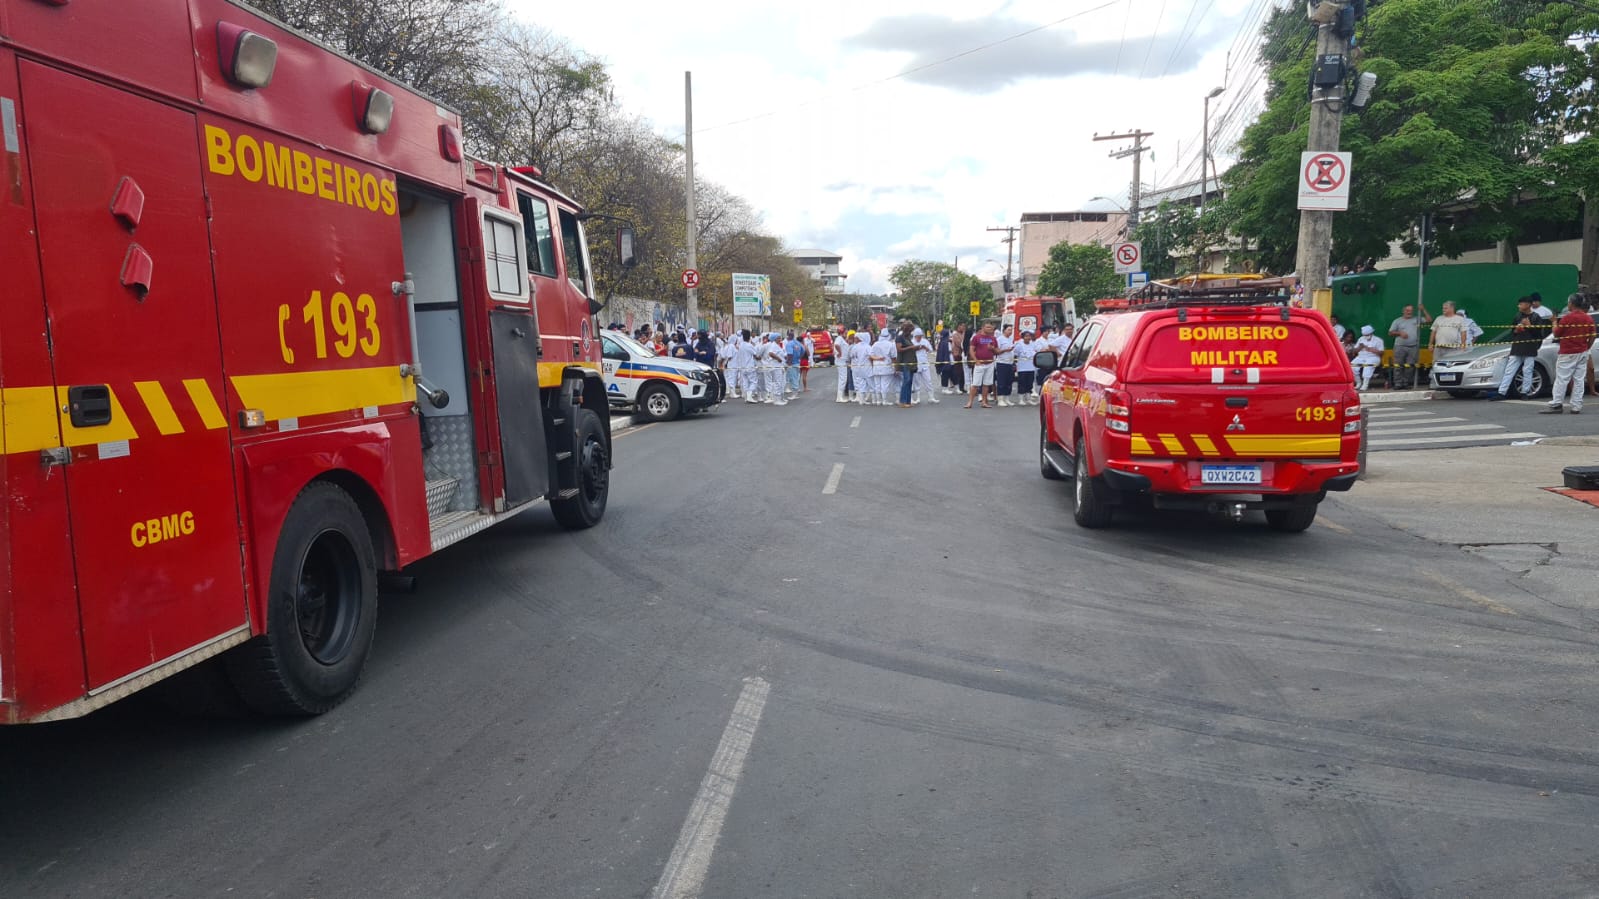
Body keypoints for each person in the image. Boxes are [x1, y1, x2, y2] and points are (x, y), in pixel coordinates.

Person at [1542, 295, 1594, 414]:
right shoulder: (1588, 318)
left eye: (1568, 302)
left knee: (1562, 379)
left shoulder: (1567, 318)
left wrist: (1554, 322)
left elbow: (1556, 334)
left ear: (1571, 303)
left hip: (1568, 352)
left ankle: (1557, 404)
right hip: (1582, 352)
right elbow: (1592, 336)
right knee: (1579, 380)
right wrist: (1587, 348)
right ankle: (1576, 406)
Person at [1491, 296, 1543, 399]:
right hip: (1517, 346)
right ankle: (1502, 392)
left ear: (1528, 305)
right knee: (1509, 370)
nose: (1518, 306)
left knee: (1528, 370)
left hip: (1530, 347)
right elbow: (1512, 331)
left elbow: (1538, 334)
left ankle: (1525, 392)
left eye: (1521, 304)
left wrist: (1529, 326)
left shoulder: (1536, 317)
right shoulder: (1518, 316)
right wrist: (1517, 330)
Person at [1387, 304, 1429, 389]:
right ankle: (1398, 384)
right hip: (1400, 346)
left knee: (1410, 366)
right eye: (1407, 310)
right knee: (1398, 366)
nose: (1409, 312)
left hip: (1413, 347)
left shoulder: (1416, 319)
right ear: (1403, 311)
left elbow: (1429, 320)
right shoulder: (1397, 321)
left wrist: (1423, 310)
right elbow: (1390, 332)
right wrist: (1400, 333)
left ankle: (1405, 383)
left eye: (1411, 310)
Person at [965, 321, 998, 409]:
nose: (990, 329)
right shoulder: (976, 337)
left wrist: (992, 348)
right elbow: (971, 350)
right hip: (980, 364)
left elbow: (997, 351)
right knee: (975, 384)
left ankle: (984, 402)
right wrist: (976, 361)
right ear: (983, 328)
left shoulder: (993, 339)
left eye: (991, 328)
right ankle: (970, 402)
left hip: (990, 363)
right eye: (988, 327)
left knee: (986, 384)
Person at [912, 327, 939, 404]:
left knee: (928, 381)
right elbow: (910, 351)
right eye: (918, 336)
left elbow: (930, 350)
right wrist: (917, 348)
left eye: (920, 336)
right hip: (916, 364)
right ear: (915, 336)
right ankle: (917, 398)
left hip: (925, 364)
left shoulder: (925, 341)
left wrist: (925, 347)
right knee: (916, 382)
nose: (919, 338)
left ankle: (931, 397)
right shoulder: (912, 342)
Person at [894, 322, 918, 407]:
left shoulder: (908, 338)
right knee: (906, 381)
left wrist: (915, 348)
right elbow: (899, 349)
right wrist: (911, 347)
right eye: (910, 330)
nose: (911, 332)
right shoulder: (900, 338)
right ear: (907, 330)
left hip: (911, 362)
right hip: (905, 362)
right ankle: (902, 401)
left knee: (910, 382)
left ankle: (908, 401)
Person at [1352, 325, 1383, 390]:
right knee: (1352, 366)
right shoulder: (1361, 339)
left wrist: (1370, 349)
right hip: (1361, 357)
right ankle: (1358, 383)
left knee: (1367, 366)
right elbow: (1354, 351)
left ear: (1371, 333)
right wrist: (1360, 347)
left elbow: (1381, 353)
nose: (1366, 336)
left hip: (1373, 357)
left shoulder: (1378, 340)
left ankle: (1365, 385)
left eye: (1367, 335)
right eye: (1365, 335)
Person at [993, 324, 1017, 406]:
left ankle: (1007, 398)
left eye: (1011, 330)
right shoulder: (999, 339)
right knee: (1001, 381)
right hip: (1002, 363)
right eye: (1009, 330)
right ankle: (1000, 399)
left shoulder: (1010, 339)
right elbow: (996, 351)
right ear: (1004, 330)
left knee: (1009, 381)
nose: (1010, 331)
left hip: (1010, 363)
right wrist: (1006, 350)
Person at [871, 328, 896, 406]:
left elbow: (871, 356)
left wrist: (878, 358)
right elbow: (894, 357)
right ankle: (884, 400)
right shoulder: (891, 344)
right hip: (886, 366)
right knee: (885, 385)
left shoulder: (875, 344)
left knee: (877, 384)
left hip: (876, 366)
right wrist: (895, 367)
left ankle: (878, 401)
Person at [1014, 329, 1039, 404]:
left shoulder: (1033, 344)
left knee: (1029, 383)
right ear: (1023, 337)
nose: (1028, 338)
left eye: (1029, 336)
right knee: (1022, 383)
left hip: (1031, 367)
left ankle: (1028, 398)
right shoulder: (1019, 345)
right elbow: (1016, 354)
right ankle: (1021, 399)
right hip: (1022, 368)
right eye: (1026, 336)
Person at [733, 330, 759, 402]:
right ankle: (749, 395)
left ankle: (746, 396)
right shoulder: (749, 345)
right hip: (749, 366)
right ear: (749, 337)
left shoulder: (740, 345)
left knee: (745, 382)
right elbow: (755, 355)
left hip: (742, 366)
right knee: (753, 382)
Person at [763, 333, 789, 405]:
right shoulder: (773, 345)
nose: (780, 339)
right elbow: (770, 353)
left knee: (780, 382)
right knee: (777, 382)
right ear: (774, 339)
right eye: (778, 338)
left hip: (780, 366)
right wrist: (778, 359)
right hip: (776, 366)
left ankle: (780, 398)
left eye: (780, 338)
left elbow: (781, 354)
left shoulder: (777, 345)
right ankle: (777, 400)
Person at [835, 331, 856, 403]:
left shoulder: (842, 340)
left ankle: (840, 396)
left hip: (843, 361)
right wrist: (840, 352)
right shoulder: (839, 338)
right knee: (843, 379)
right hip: (841, 361)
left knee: (843, 379)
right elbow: (836, 345)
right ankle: (839, 397)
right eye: (845, 333)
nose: (846, 335)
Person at [784, 331, 804, 397]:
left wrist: (789, 363)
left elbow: (790, 354)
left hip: (791, 363)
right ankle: (795, 393)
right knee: (796, 377)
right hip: (797, 363)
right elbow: (803, 351)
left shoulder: (789, 344)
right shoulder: (798, 343)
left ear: (788, 336)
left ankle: (794, 394)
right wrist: (798, 358)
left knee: (792, 378)